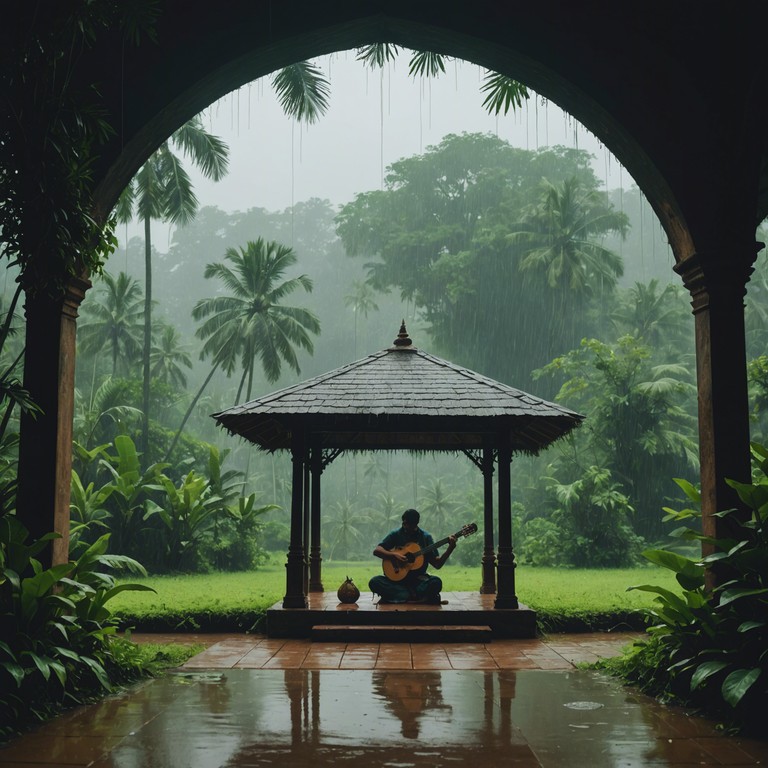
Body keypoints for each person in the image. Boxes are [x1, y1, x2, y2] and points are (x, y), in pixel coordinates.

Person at [368, 508, 456, 604]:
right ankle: (415, 597)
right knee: (374, 582)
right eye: (404, 523)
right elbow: (377, 551)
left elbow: (437, 564)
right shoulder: (396, 534)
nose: (405, 526)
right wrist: (393, 555)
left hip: (418, 581)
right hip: (396, 581)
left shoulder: (425, 537)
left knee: (436, 582)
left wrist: (450, 548)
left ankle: (400, 597)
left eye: (409, 524)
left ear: (416, 524)